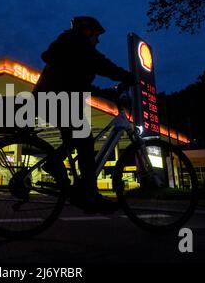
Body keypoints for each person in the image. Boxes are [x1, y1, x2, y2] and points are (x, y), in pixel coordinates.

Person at [32, 16, 137, 213]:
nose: (98, 40)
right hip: (56, 98)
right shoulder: (77, 45)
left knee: (75, 139)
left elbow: (81, 84)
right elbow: (103, 64)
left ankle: (56, 168)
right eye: (96, 35)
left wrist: (107, 92)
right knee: (85, 140)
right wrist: (128, 76)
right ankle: (88, 194)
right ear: (86, 31)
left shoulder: (73, 50)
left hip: (54, 98)